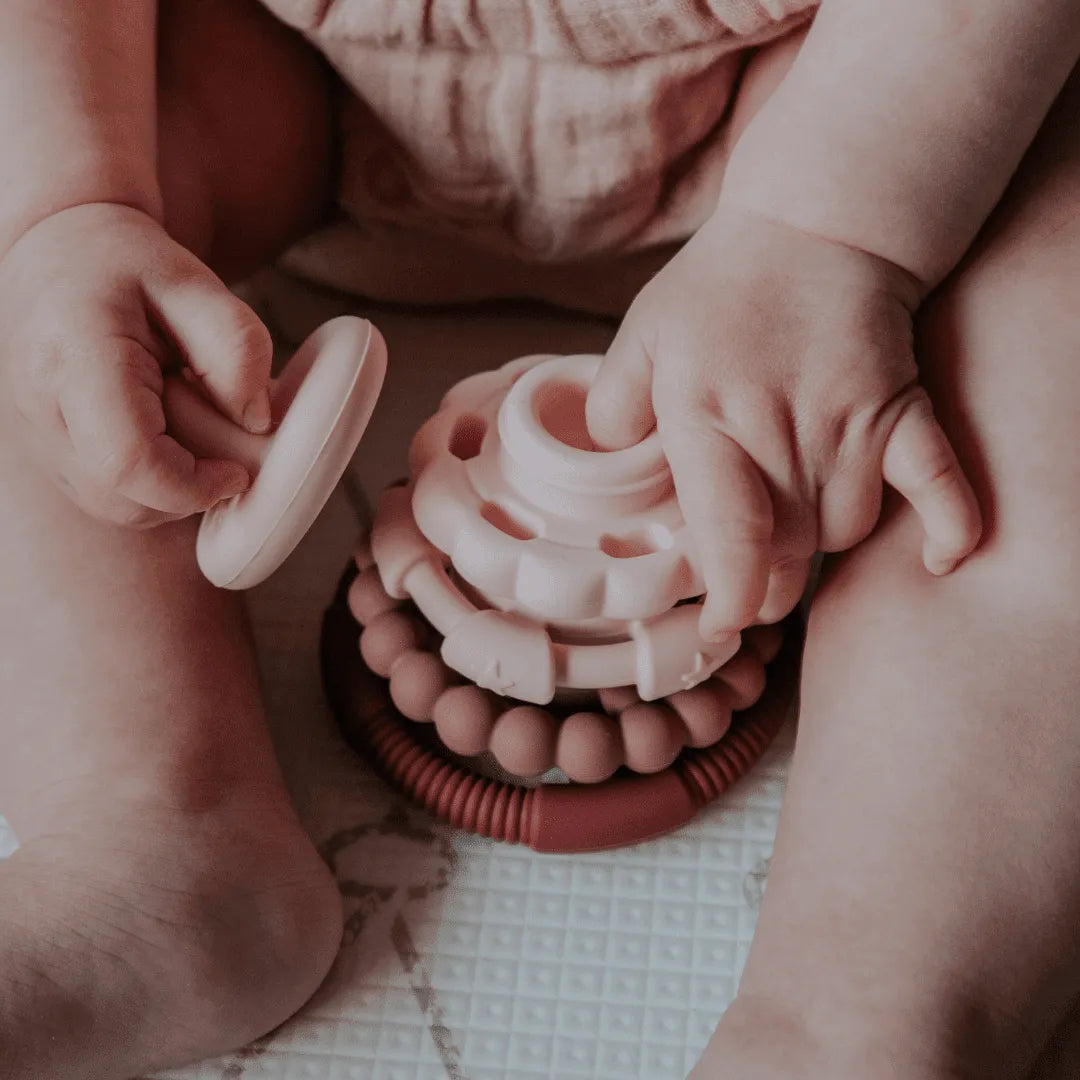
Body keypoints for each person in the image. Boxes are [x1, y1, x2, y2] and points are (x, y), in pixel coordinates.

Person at [1, 1, 1080, 1077]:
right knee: (45, 312)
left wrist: (830, 229)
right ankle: (150, 823)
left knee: (1047, 340)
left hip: (863, 107)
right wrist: (67, 206)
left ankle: (870, 998)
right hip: (285, 71)